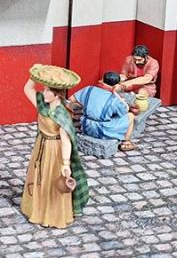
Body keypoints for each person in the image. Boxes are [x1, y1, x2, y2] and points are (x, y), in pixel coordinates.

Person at [22, 76, 89, 228]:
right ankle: (38, 210)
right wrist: (34, 75)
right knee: (40, 177)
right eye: (44, 90)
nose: (44, 93)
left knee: (52, 181)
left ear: (57, 94)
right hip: (41, 145)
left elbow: (66, 141)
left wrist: (65, 163)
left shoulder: (62, 114)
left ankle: (52, 215)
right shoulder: (42, 105)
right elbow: (27, 89)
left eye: (47, 91)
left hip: (54, 150)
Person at [70, 72, 137, 151]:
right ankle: (126, 142)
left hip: (86, 126)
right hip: (102, 130)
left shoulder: (89, 89)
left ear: (102, 80)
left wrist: (86, 106)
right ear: (116, 85)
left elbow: (71, 99)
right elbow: (125, 110)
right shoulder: (114, 99)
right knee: (130, 116)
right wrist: (116, 94)